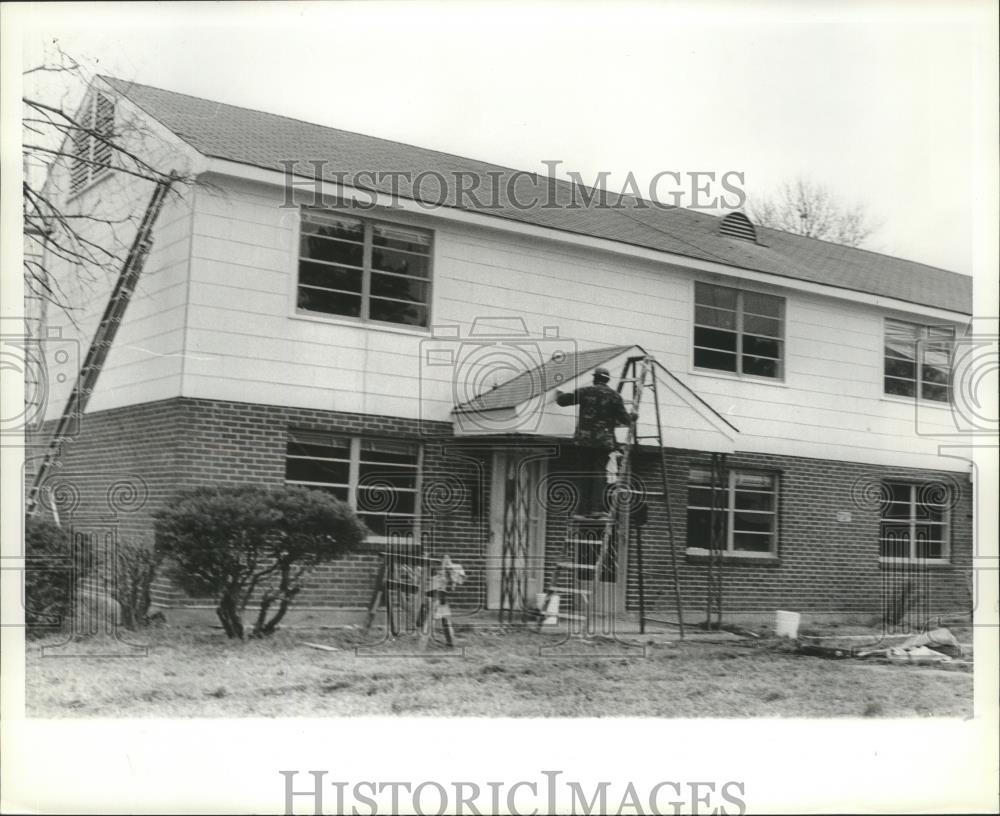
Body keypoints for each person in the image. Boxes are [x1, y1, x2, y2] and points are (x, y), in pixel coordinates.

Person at [555, 367, 636, 516]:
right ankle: (596, 509)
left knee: (584, 473)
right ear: (607, 380)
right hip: (603, 443)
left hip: (584, 441)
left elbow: (563, 401)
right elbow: (626, 420)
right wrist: (633, 416)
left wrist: (558, 393)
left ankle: (581, 510)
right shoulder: (615, 397)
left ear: (595, 378)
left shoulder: (585, 392)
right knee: (599, 473)